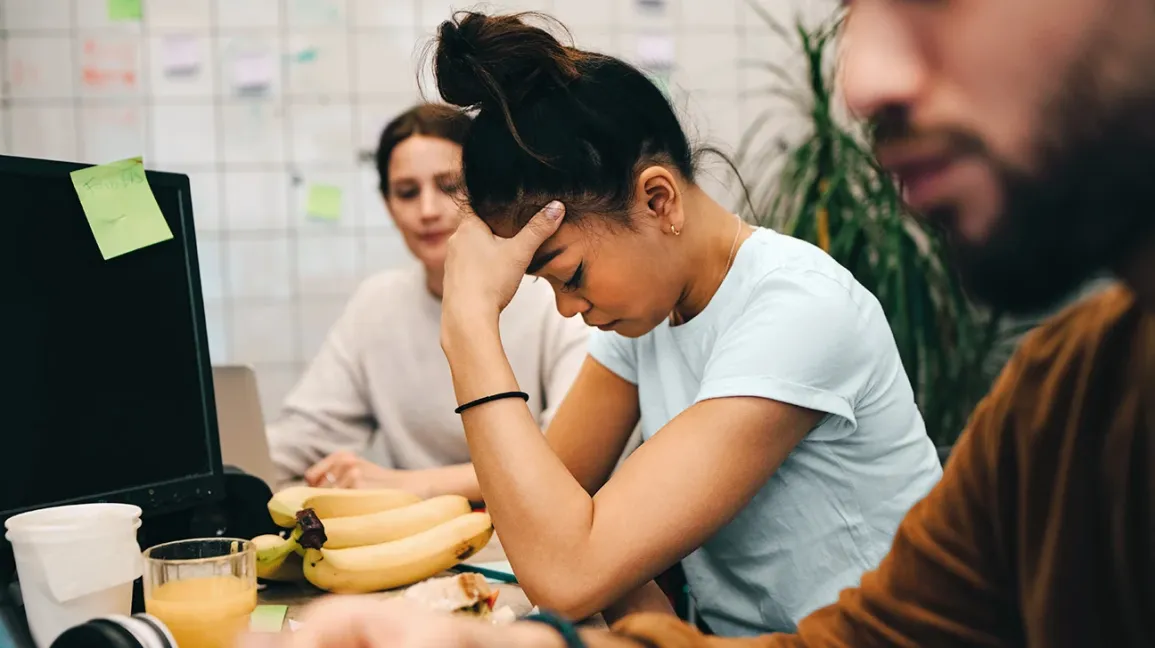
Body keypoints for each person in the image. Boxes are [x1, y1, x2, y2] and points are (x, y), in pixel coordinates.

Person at [241, 0, 1155, 644]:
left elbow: (566, 562)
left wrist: (468, 327)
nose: (565, 305)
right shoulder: (649, 318)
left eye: (567, 272)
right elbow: (547, 518)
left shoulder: (794, 306)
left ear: (657, 199)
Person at [265, 103, 589, 502]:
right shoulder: (376, 305)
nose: (428, 211)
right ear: (387, 204)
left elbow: (572, 459)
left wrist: (403, 484)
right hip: (422, 544)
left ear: (487, 189)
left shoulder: (554, 297)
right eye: (407, 192)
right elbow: (301, 438)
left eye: (449, 186)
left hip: (538, 532)